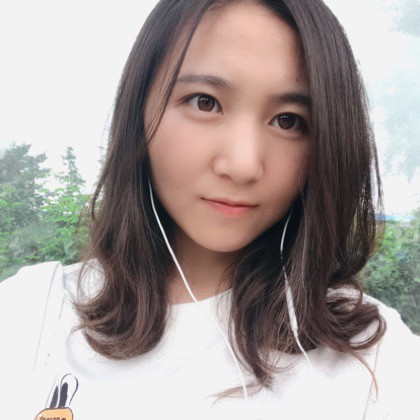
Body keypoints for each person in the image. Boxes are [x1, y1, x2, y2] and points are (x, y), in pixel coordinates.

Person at [0, 0, 419, 419]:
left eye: (288, 121)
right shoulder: (33, 315)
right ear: (138, 110)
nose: (243, 165)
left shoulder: (374, 361)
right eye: (205, 102)